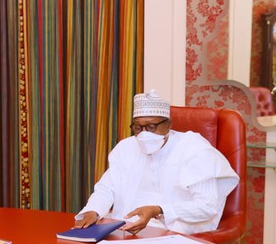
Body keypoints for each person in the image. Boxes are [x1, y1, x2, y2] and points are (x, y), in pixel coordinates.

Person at [74, 90, 239, 235]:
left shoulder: (194, 149)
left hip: (177, 231)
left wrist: (159, 210)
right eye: (137, 127)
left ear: (168, 124)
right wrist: (93, 210)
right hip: (127, 228)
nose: (144, 134)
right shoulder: (126, 147)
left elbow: (206, 207)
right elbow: (107, 188)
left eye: (151, 126)